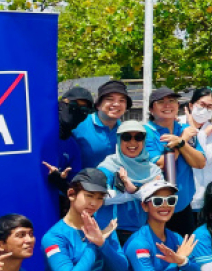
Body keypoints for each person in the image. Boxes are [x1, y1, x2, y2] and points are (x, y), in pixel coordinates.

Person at [144, 87, 206, 236]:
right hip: (156, 206)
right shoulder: (146, 132)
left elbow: (200, 163)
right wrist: (182, 140)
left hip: (183, 206)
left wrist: (181, 143)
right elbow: (160, 164)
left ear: (178, 106)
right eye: (161, 102)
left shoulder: (185, 129)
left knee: (186, 249)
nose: (167, 105)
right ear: (151, 109)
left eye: (172, 101)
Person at [70, 79, 131, 228]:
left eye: (122, 100)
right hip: (82, 202)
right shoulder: (79, 125)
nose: (116, 104)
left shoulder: (126, 132)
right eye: (110, 99)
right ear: (98, 104)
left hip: (112, 203)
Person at [97, 120, 165, 241]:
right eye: (126, 137)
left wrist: (135, 191)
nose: (133, 142)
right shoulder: (108, 166)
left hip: (143, 233)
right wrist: (137, 192)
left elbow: (161, 200)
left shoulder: (154, 171)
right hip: (110, 232)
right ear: (119, 140)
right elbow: (100, 197)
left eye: (138, 137)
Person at [47, 85, 94, 215]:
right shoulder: (35, 133)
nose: (77, 111)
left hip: (50, 210)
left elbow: (74, 187)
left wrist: (61, 182)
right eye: (73, 105)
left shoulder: (73, 146)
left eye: (84, 109)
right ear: (62, 103)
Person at [185, 88, 212, 215]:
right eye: (202, 104)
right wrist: (200, 134)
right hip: (180, 192)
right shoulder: (177, 125)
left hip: (201, 195)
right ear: (191, 105)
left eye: (209, 107)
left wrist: (199, 135)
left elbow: (207, 158)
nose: (205, 109)